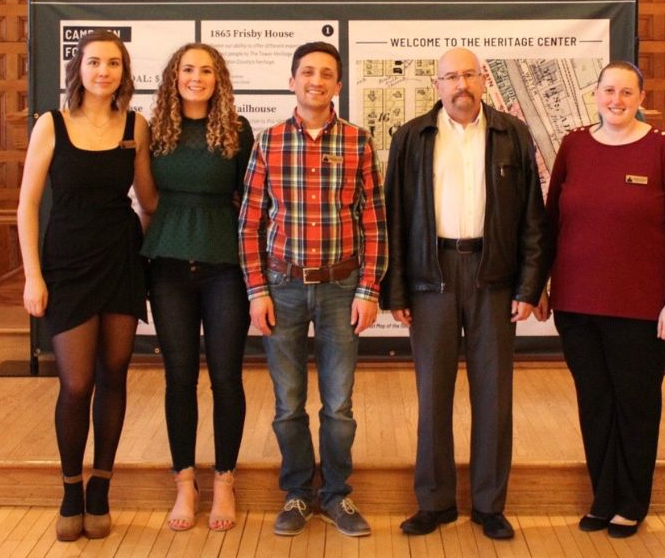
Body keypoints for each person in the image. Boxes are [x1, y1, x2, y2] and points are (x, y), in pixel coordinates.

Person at [381, 47, 550, 541]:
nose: (461, 85)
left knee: (494, 395)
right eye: (451, 76)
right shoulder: (411, 136)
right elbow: (394, 216)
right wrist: (396, 288)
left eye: (469, 75)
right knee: (433, 393)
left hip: (492, 275)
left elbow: (532, 219)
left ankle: (488, 504)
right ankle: (434, 502)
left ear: (483, 81)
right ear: (437, 84)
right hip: (430, 275)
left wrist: (528, 285)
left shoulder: (511, 133)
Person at [238, 41, 387, 538]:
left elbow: (373, 220)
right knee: (288, 403)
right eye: (307, 72)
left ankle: (337, 496)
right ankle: (299, 493)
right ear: (292, 80)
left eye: (326, 74)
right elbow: (249, 224)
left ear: (338, 85)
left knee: (339, 405)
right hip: (281, 286)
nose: (316, 81)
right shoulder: (269, 141)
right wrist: (256, 290)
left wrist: (369, 289)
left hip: (342, 287)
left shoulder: (359, 142)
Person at [545, 61, 665, 538]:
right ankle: (603, 496)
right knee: (595, 403)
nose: (617, 100)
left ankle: (631, 501)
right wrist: (542, 287)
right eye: (609, 90)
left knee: (635, 404)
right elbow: (552, 220)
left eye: (626, 92)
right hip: (577, 305)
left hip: (640, 308)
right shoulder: (574, 145)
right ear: (595, 94)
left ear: (640, 97)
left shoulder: (664, 149)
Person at [17, 29, 157, 542]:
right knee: (76, 383)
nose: (104, 71)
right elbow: (27, 206)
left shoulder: (136, 126)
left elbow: (148, 201)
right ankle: (71, 488)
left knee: (115, 374)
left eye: (114, 63)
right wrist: (33, 274)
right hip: (66, 263)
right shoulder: (50, 125)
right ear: (77, 69)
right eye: (95, 62)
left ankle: (101, 488)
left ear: (124, 72)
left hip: (120, 259)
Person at [142, 43, 254, 532]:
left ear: (218, 78)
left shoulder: (237, 128)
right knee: (179, 378)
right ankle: (185, 483)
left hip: (225, 265)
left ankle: (224, 482)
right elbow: (147, 197)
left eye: (206, 70)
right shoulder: (153, 129)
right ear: (173, 76)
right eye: (188, 69)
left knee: (227, 378)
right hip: (167, 264)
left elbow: (250, 199)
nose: (196, 77)